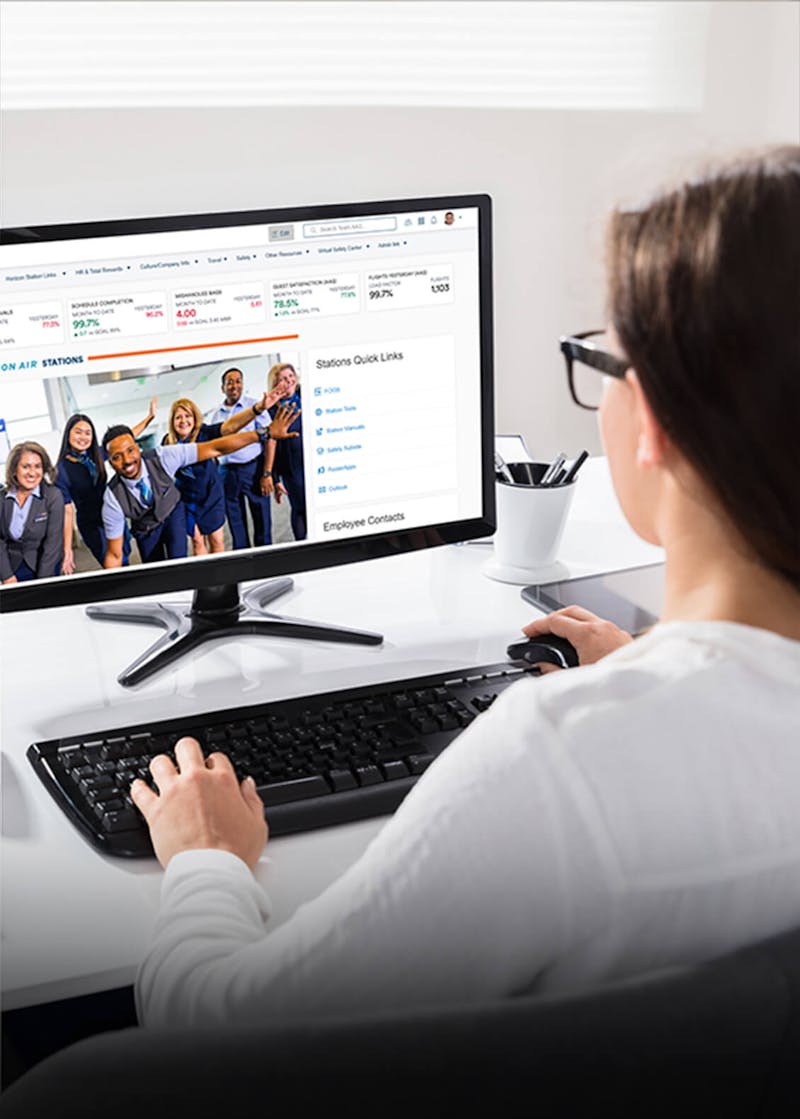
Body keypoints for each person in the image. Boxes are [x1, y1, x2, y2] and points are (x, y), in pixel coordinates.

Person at [132, 146, 800, 1031]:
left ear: (658, 422)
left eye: (605, 359)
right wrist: (660, 673)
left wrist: (204, 859)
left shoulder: (563, 759)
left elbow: (215, 1033)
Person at [101, 404, 298, 567]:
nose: (127, 460)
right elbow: (115, 555)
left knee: (179, 561)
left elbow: (216, 446)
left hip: (173, 512)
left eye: (130, 451)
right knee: (154, 568)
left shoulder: (164, 455)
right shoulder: (112, 497)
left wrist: (264, 433)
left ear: (138, 448)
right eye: (117, 457)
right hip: (146, 528)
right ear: (109, 462)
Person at [162, 383, 291, 556]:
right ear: (172, 421)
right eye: (178, 417)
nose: (183, 421)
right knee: (197, 541)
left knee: (216, 541)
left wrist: (258, 408)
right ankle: (206, 581)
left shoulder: (204, 433)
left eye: (188, 416)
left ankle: (219, 575)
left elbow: (230, 427)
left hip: (210, 496)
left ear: (195, 418)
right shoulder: (167, 443)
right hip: (187, 499)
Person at [56, 402, 156, 572]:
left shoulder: (95, 454)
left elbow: (125, 439)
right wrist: (67, 550)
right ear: (68, 434)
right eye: (78, 432)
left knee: (125, 554)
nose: (83, 437)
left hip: (112, 514)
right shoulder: (60, 470)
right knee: (113, 564)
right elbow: (67, 511)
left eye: (88, 433)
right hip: (92, 524)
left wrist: (148, 419)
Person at [206, 366, 281, 550]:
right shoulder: (217, 415)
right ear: (222, 388)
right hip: (227, 473)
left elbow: (270, 438)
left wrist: (267, 473)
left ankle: (265, 560)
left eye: (238, 381)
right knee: (235, 523)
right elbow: (215, 448)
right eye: (229, 382)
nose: (234, 385)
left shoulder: (256, 406)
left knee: (262, 519)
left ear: (242, 384)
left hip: (253, 469)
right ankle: (244, 562)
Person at [0, 441, 65, 583]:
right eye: (25, 467)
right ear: (14, 469)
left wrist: (43, 583)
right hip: (11, 569)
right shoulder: (2, 499)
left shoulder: (53, 496)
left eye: (38, 466)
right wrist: (6, 576)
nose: (32, 473)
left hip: (44, 566)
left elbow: (53, 544)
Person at [264, 362, 306, 540]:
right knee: (301, 507)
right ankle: (302, 544)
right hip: (291, 468)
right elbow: (270, 444)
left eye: (291, 376)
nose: (289, 381)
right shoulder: (272, 411)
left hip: (315, 461)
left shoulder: (307, 398)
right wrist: (274, 477)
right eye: (283, 379)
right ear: (275, 385)